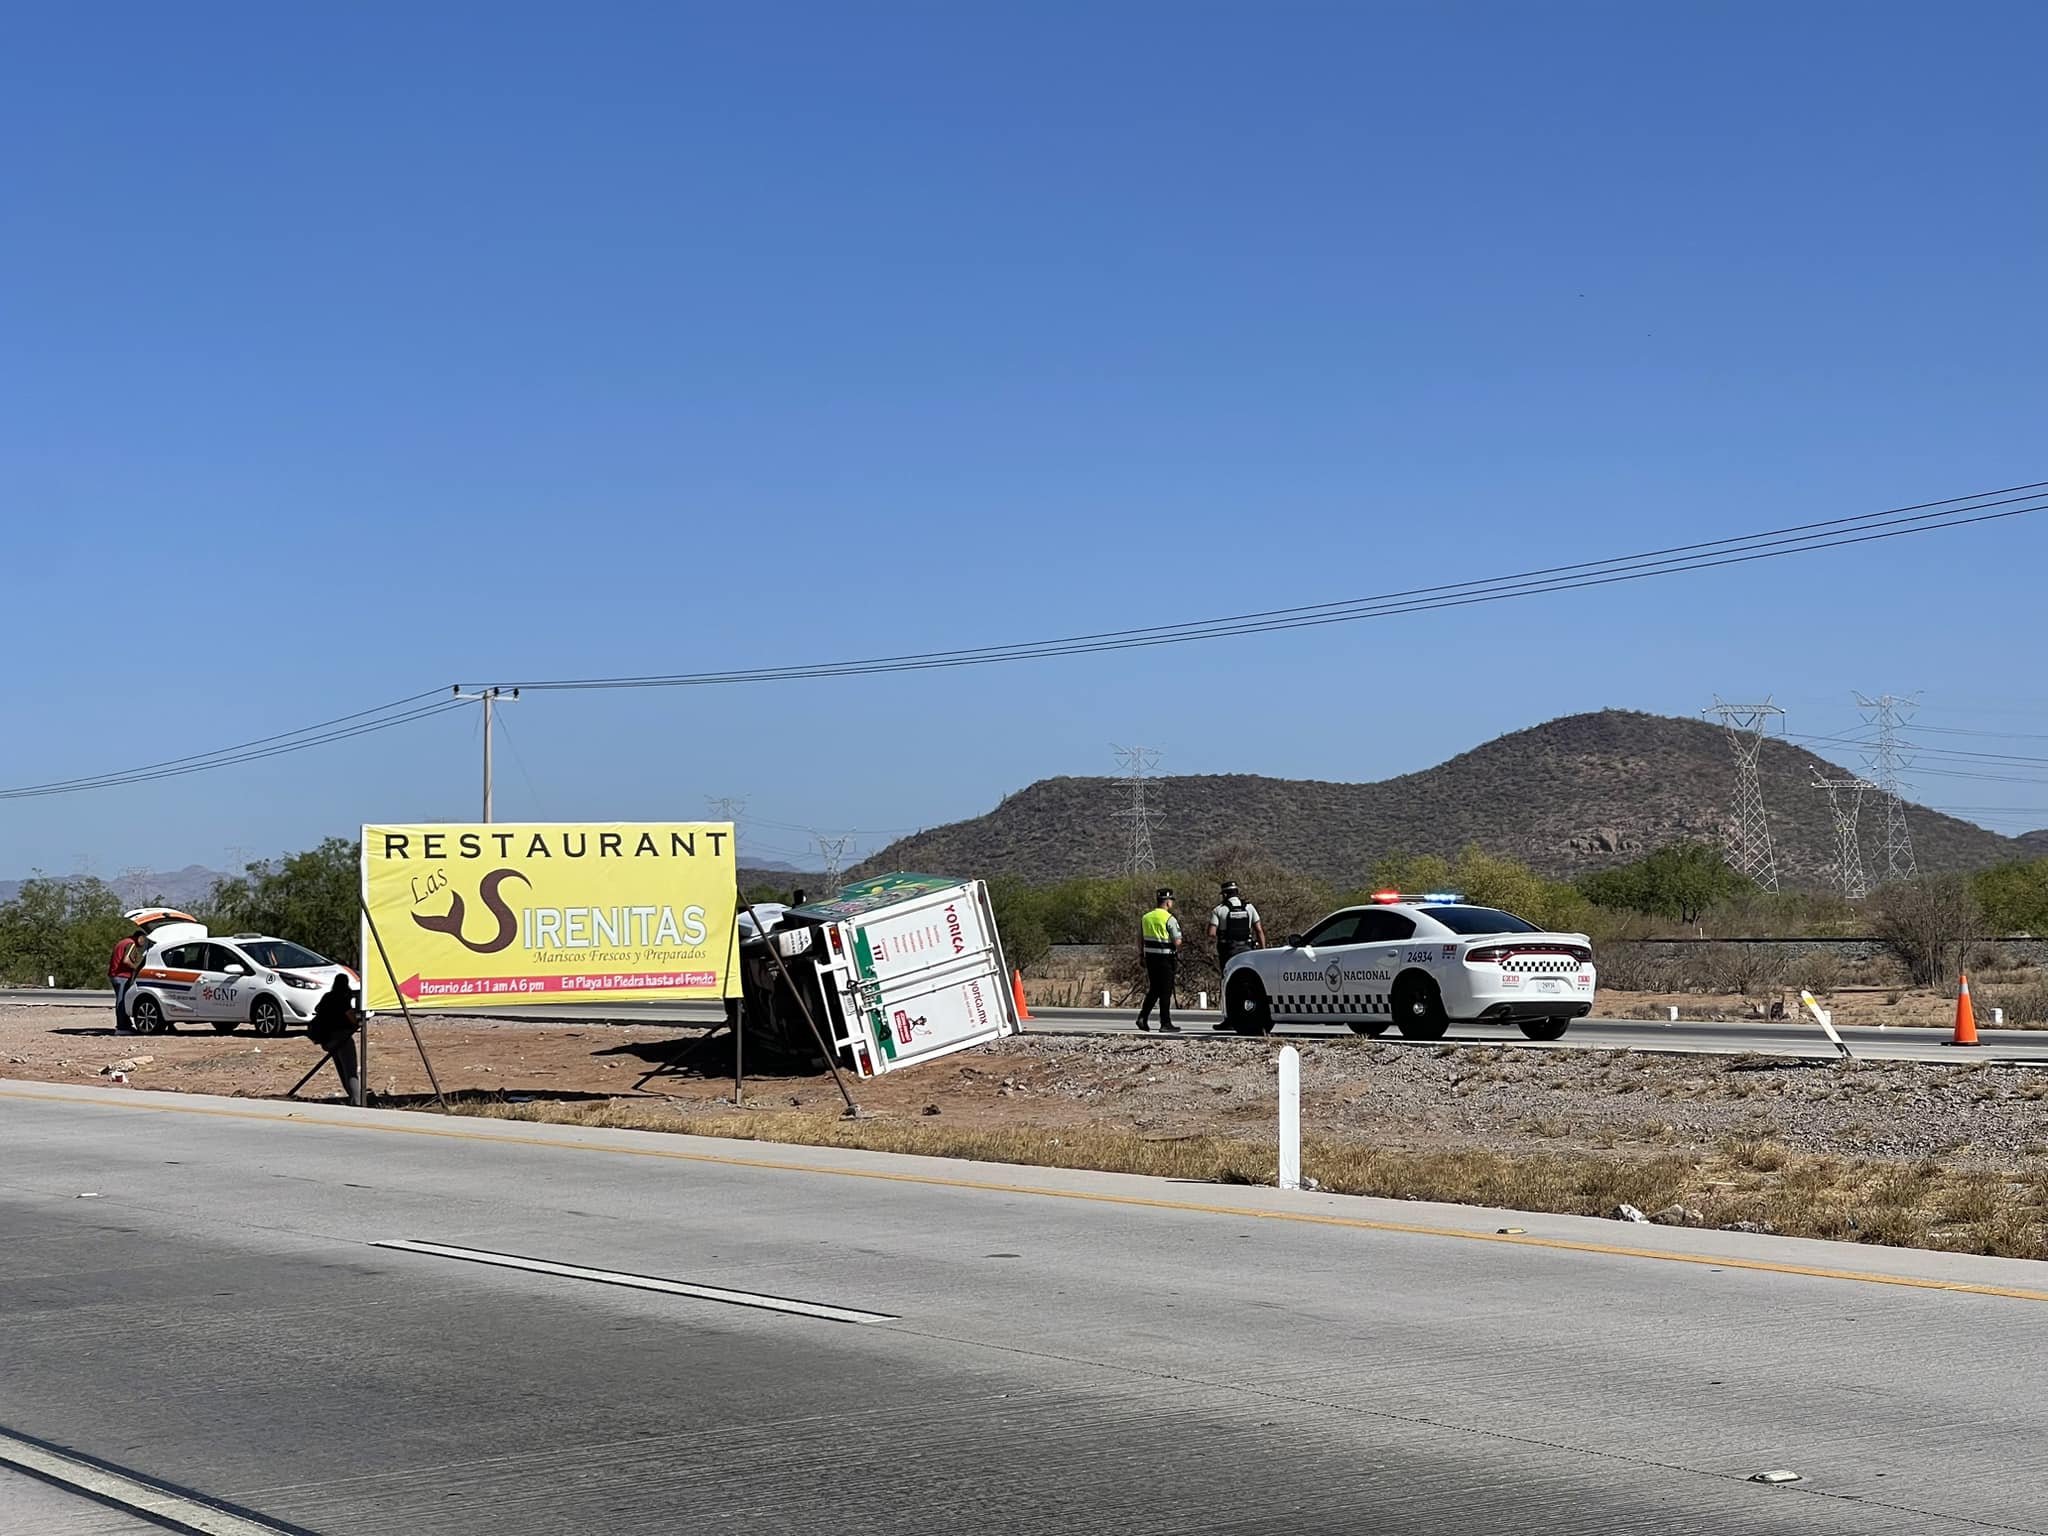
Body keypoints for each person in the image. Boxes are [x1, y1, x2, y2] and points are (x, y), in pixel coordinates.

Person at [308, 975, 364, 1103]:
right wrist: (356, 1023)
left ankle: (353, 1098)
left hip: (329, 1039)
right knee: (350, 1071)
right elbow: (350, 1016)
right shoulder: (343, 998)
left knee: (341, 1069)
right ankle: (358, 1101)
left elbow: (317, 1009)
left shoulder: (328, 996)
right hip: (343, 1038)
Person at [1135, 888, 1182, 1033]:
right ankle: (1165, 1023)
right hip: (1166, 958)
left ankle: (1143, 1017)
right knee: (1165, 991)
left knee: (1154, 989)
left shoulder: (1146, 917)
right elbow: (1177, 941)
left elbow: (1140, 939)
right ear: (1168, 902)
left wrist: (1141, 955)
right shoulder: (1169, 919)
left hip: (1150, 958)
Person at [1208, 880, 1267, 977]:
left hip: (1228, 951)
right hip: (1247, 949)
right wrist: (1263, 950)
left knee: (1228, 976)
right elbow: (1259, 930)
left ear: (1225, 894)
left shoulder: (1219, 910)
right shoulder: (1249, 907)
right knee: (1248, 976)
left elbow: (1211, 933)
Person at [107, 929, 146, 1033]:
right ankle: (122, 1027)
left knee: (121, 1000)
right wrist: (136, 968)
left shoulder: (123, 942)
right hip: (121, 976)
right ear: (140, 937)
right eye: (144, 940)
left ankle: (126, 1024)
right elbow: (126, 960)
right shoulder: (131, 944)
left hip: (114, 975)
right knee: (122, 1002)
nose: (143, 943)